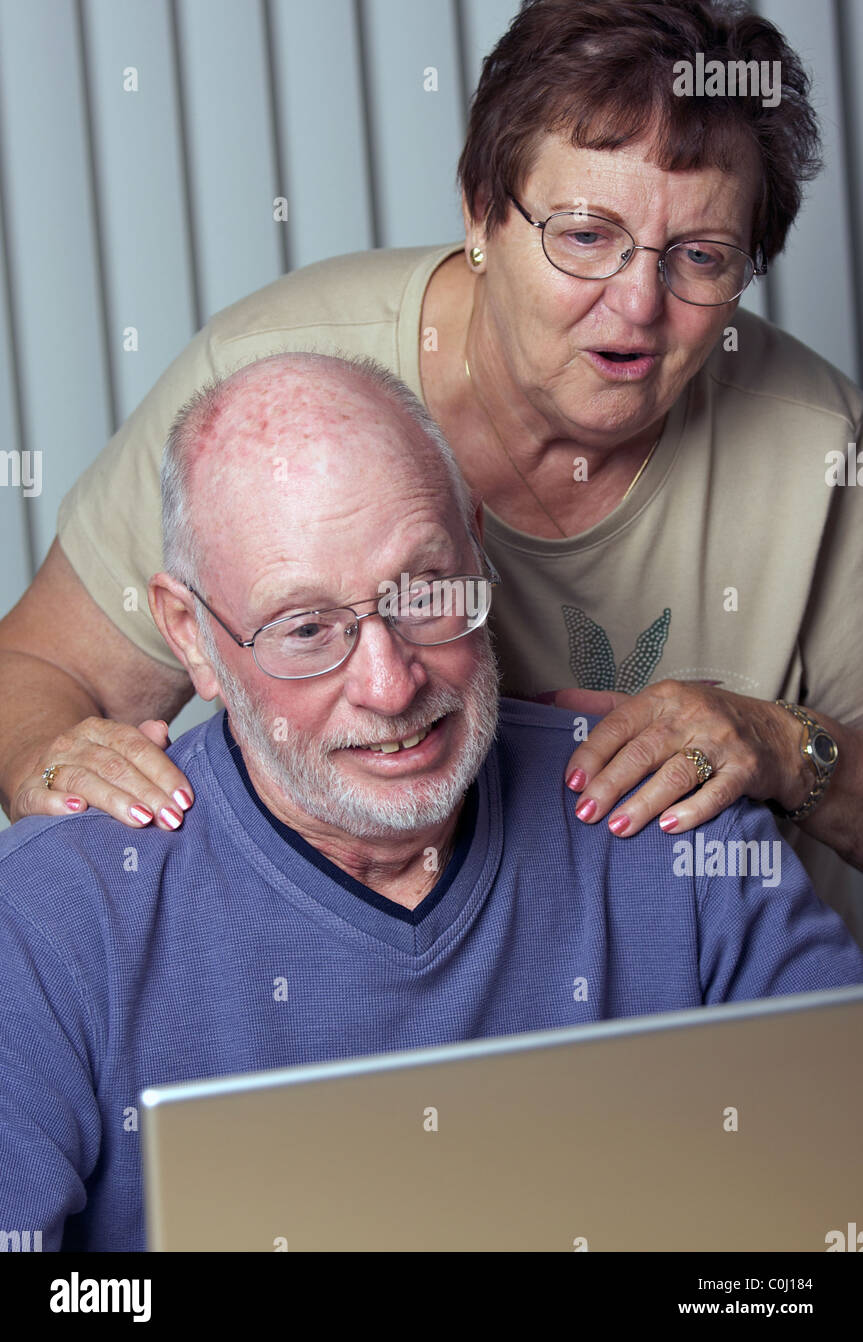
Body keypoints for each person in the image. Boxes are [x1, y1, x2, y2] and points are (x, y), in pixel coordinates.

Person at [1, 0, 862, 942]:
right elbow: (33, 666)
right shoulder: (267, 383)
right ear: (479, 210)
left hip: (707, 1014)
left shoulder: (818, 446)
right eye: (584, 236)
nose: (634, 303)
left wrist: (794, 750)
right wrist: (49, 759)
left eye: (700, 257)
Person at [1, 352, 861, 1252]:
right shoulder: (51, 918)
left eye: (424, 594)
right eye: (306, 630)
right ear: (194, 638)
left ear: (474, 544)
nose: (388, 684)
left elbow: (828, 1222)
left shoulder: (678, 818)